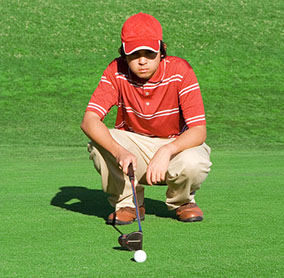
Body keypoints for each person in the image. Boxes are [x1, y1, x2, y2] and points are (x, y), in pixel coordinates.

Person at [81, 12, 212, 225]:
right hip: (134, 145)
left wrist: (167, 150)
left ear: (162, 51)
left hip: (174, 144)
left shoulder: (181, 70)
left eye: (150, 53)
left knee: (194, 160)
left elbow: (198, 130)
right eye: (134, 54)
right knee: (99, 143)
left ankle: (183, 202)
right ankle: (128, 203)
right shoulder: (116, 71)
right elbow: (89, 120)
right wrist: (119, 151)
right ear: (124, 54)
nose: (142, 61)